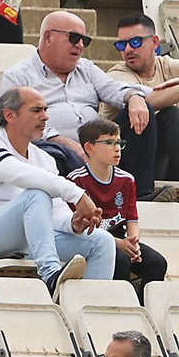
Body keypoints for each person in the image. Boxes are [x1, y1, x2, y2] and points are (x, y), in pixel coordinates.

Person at [0, 86, 114, 297]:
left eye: (45, 110)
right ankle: (50, 275)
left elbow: (55, 211)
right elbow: (20, 175)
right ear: (9, 115)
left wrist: (72, 223)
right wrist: (77, 194)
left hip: (30, 242)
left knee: (102, 241)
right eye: (36, 110)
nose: (45, 117)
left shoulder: (45, 158)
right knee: (36, 194)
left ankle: (90, 315)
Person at [0, 11, 156, 197]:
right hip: (52, 154)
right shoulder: (18, 77)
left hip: (98, 147)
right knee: (51, 153)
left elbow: (113, 89)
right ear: (48, 37)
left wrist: (134, 97)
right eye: (74, 38)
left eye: (84, 40)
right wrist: (61, 140)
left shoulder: (86, 68)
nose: (80, 45)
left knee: (142, 112)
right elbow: (13, 124)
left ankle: (142, 196)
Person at [69, 117, 166, 295]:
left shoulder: (127, 179)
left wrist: (133, 242)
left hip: (120, 238)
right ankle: (117, 306)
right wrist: (120, 245)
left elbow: (131, 219)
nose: (117, 149)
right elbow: (77, 228)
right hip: (90, 240)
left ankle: (142, 308)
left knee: (157, 262)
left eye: (119, 142)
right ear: (89, 147)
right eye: (109, 142)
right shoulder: (75, 180)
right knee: (120, 259)